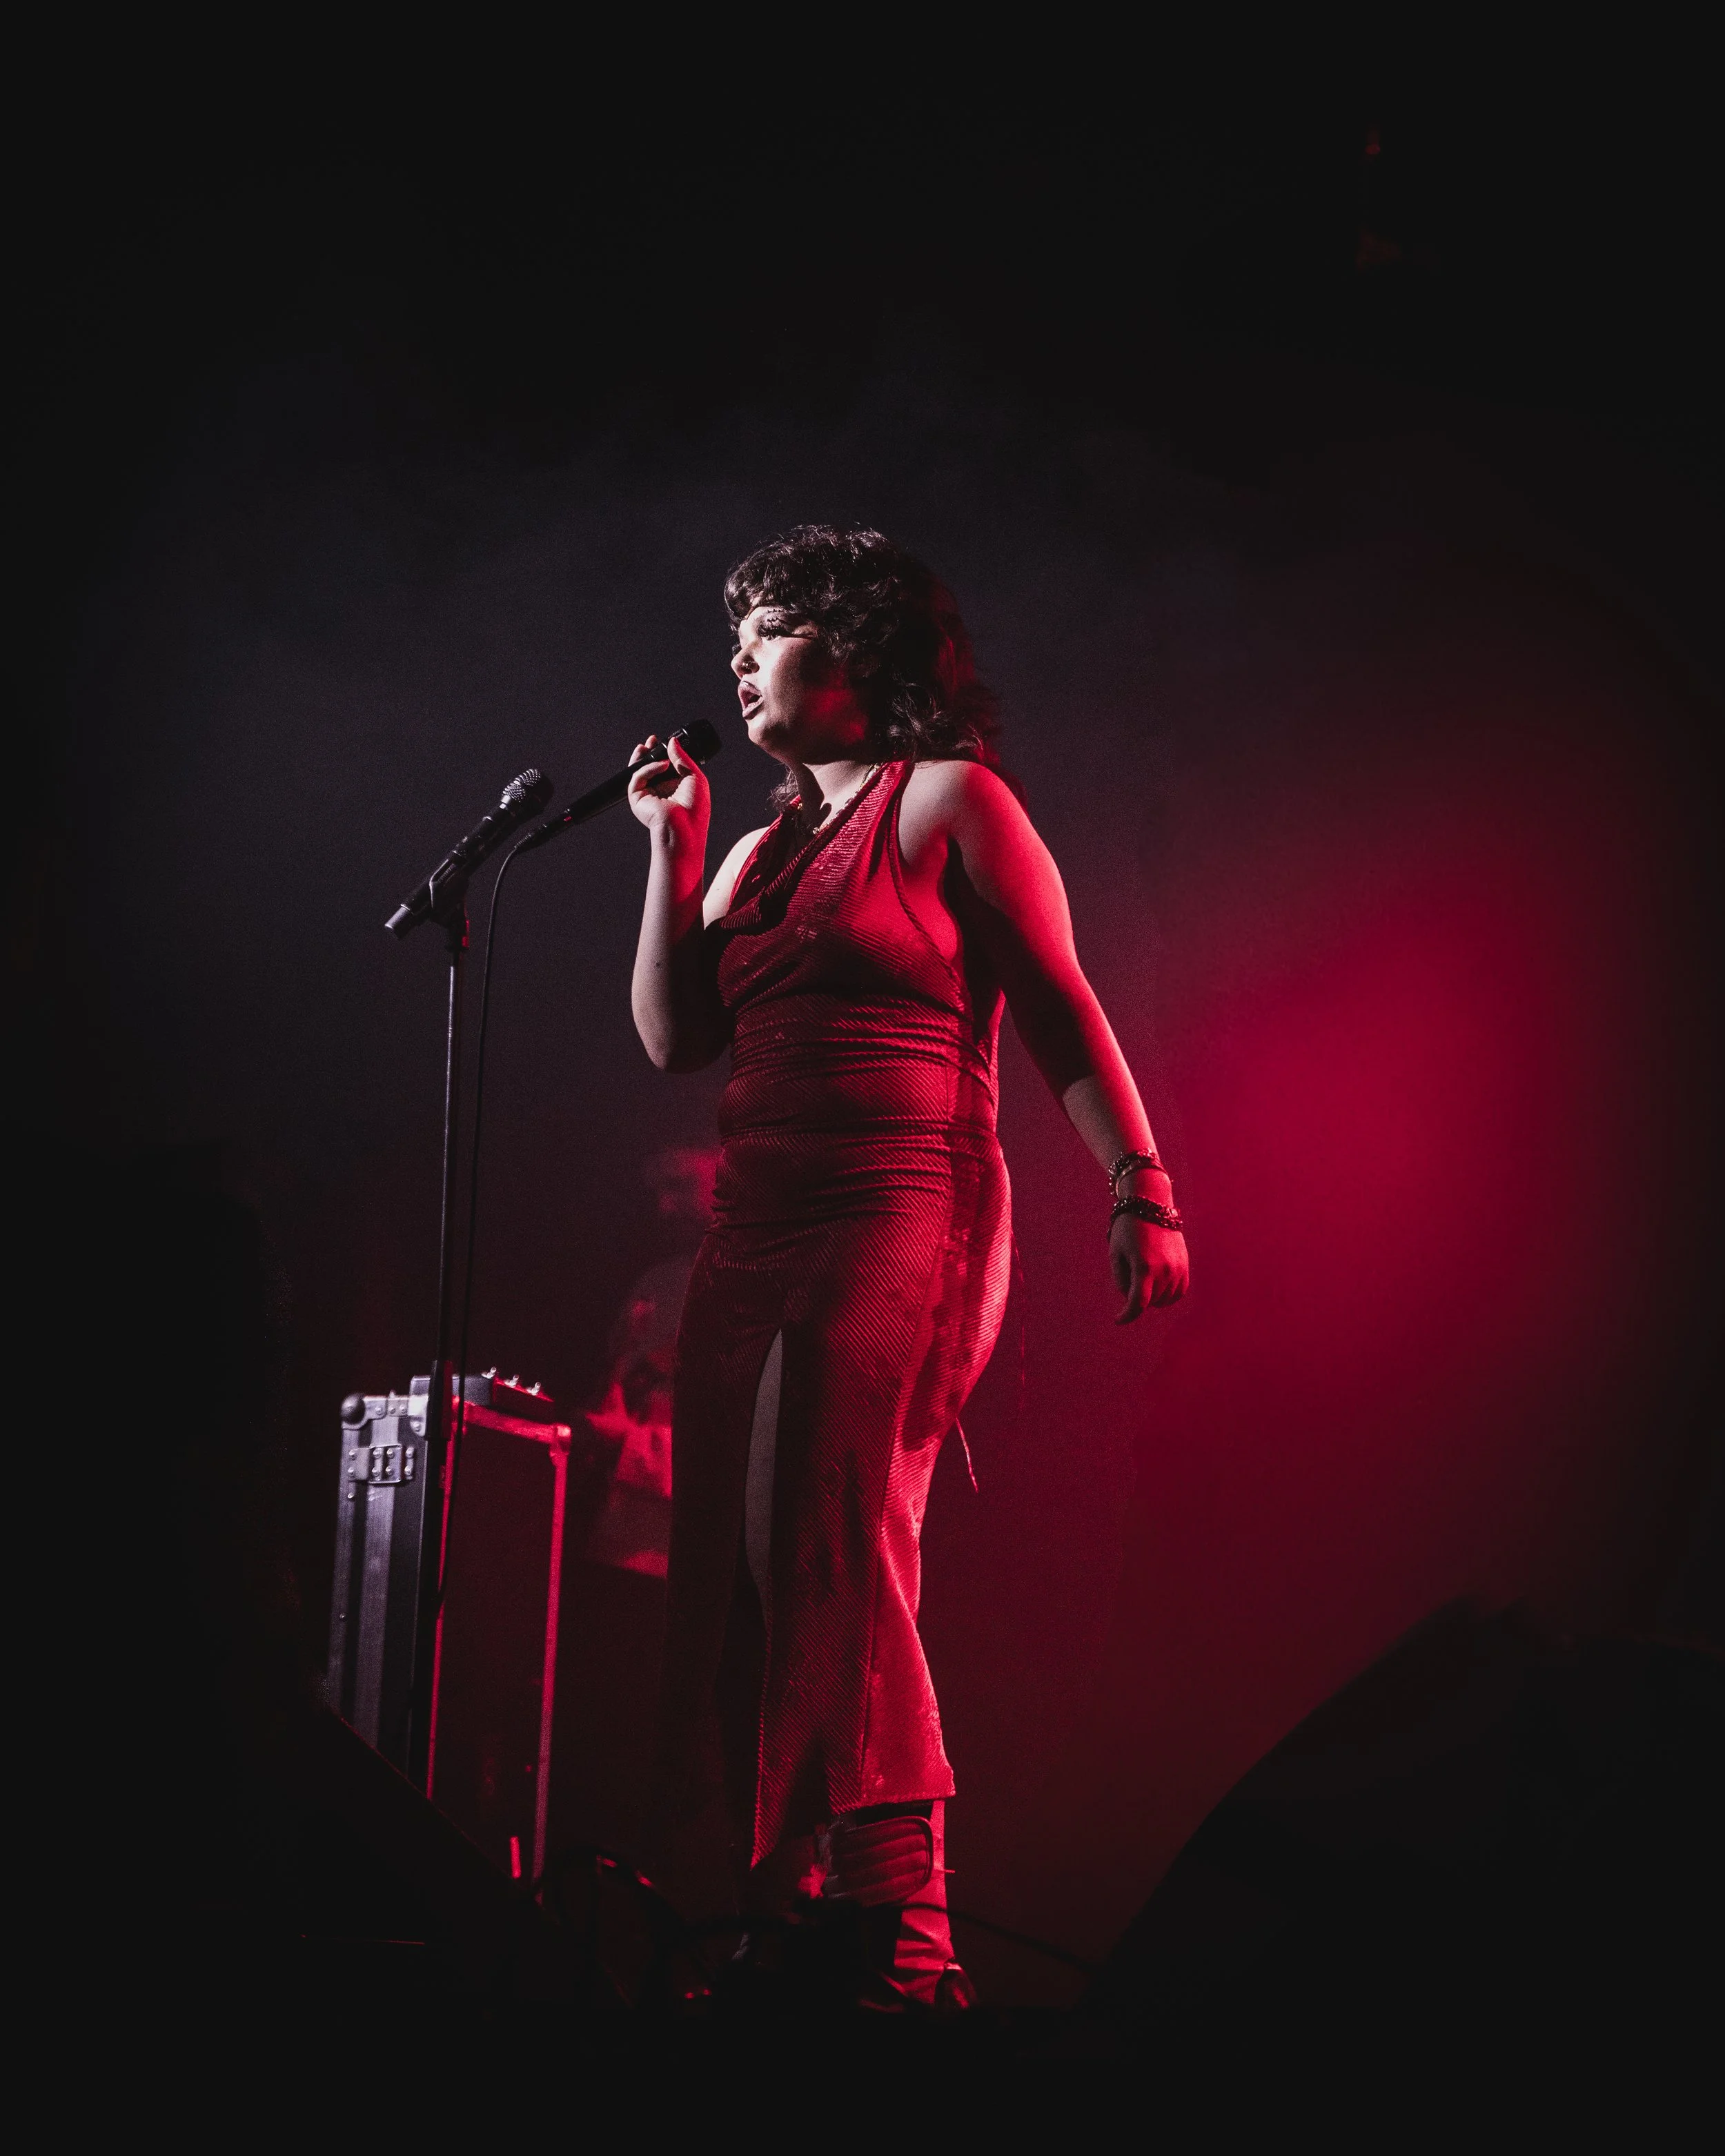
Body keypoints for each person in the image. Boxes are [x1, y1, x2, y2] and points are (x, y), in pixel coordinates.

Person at [627, 525, 1188, 2008]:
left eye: (771, 630)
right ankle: (772, 1903)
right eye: (735, 633)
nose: (737, 657)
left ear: (860, 655)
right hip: (753, 1226)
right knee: (739, 1569)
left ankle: (902, 1927)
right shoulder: (754, 847)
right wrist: (672, 853)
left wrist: (1140, 1185)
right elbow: (678, 1038)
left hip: (904, 1206)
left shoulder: (952, 801)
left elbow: (1059, 1005)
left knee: (832, 1539)